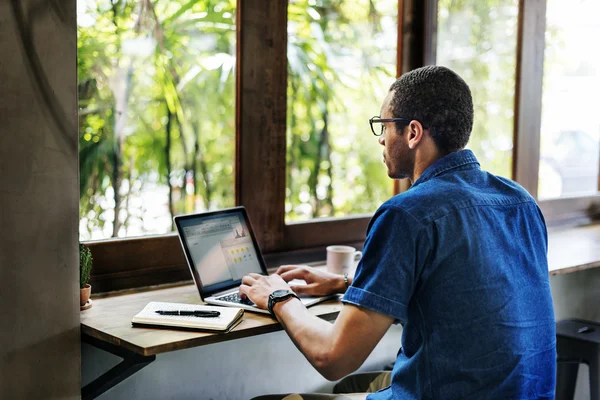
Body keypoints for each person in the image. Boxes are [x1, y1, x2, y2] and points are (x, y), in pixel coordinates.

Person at [239, 66, 556, 400]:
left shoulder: (408, 213)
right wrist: (349, 284)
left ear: (413, 132)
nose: (381, 138)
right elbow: (465, 293)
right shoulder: (520, 202)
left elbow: (333, 357)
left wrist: (278, 296)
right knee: (354, 387)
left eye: (384, 125)